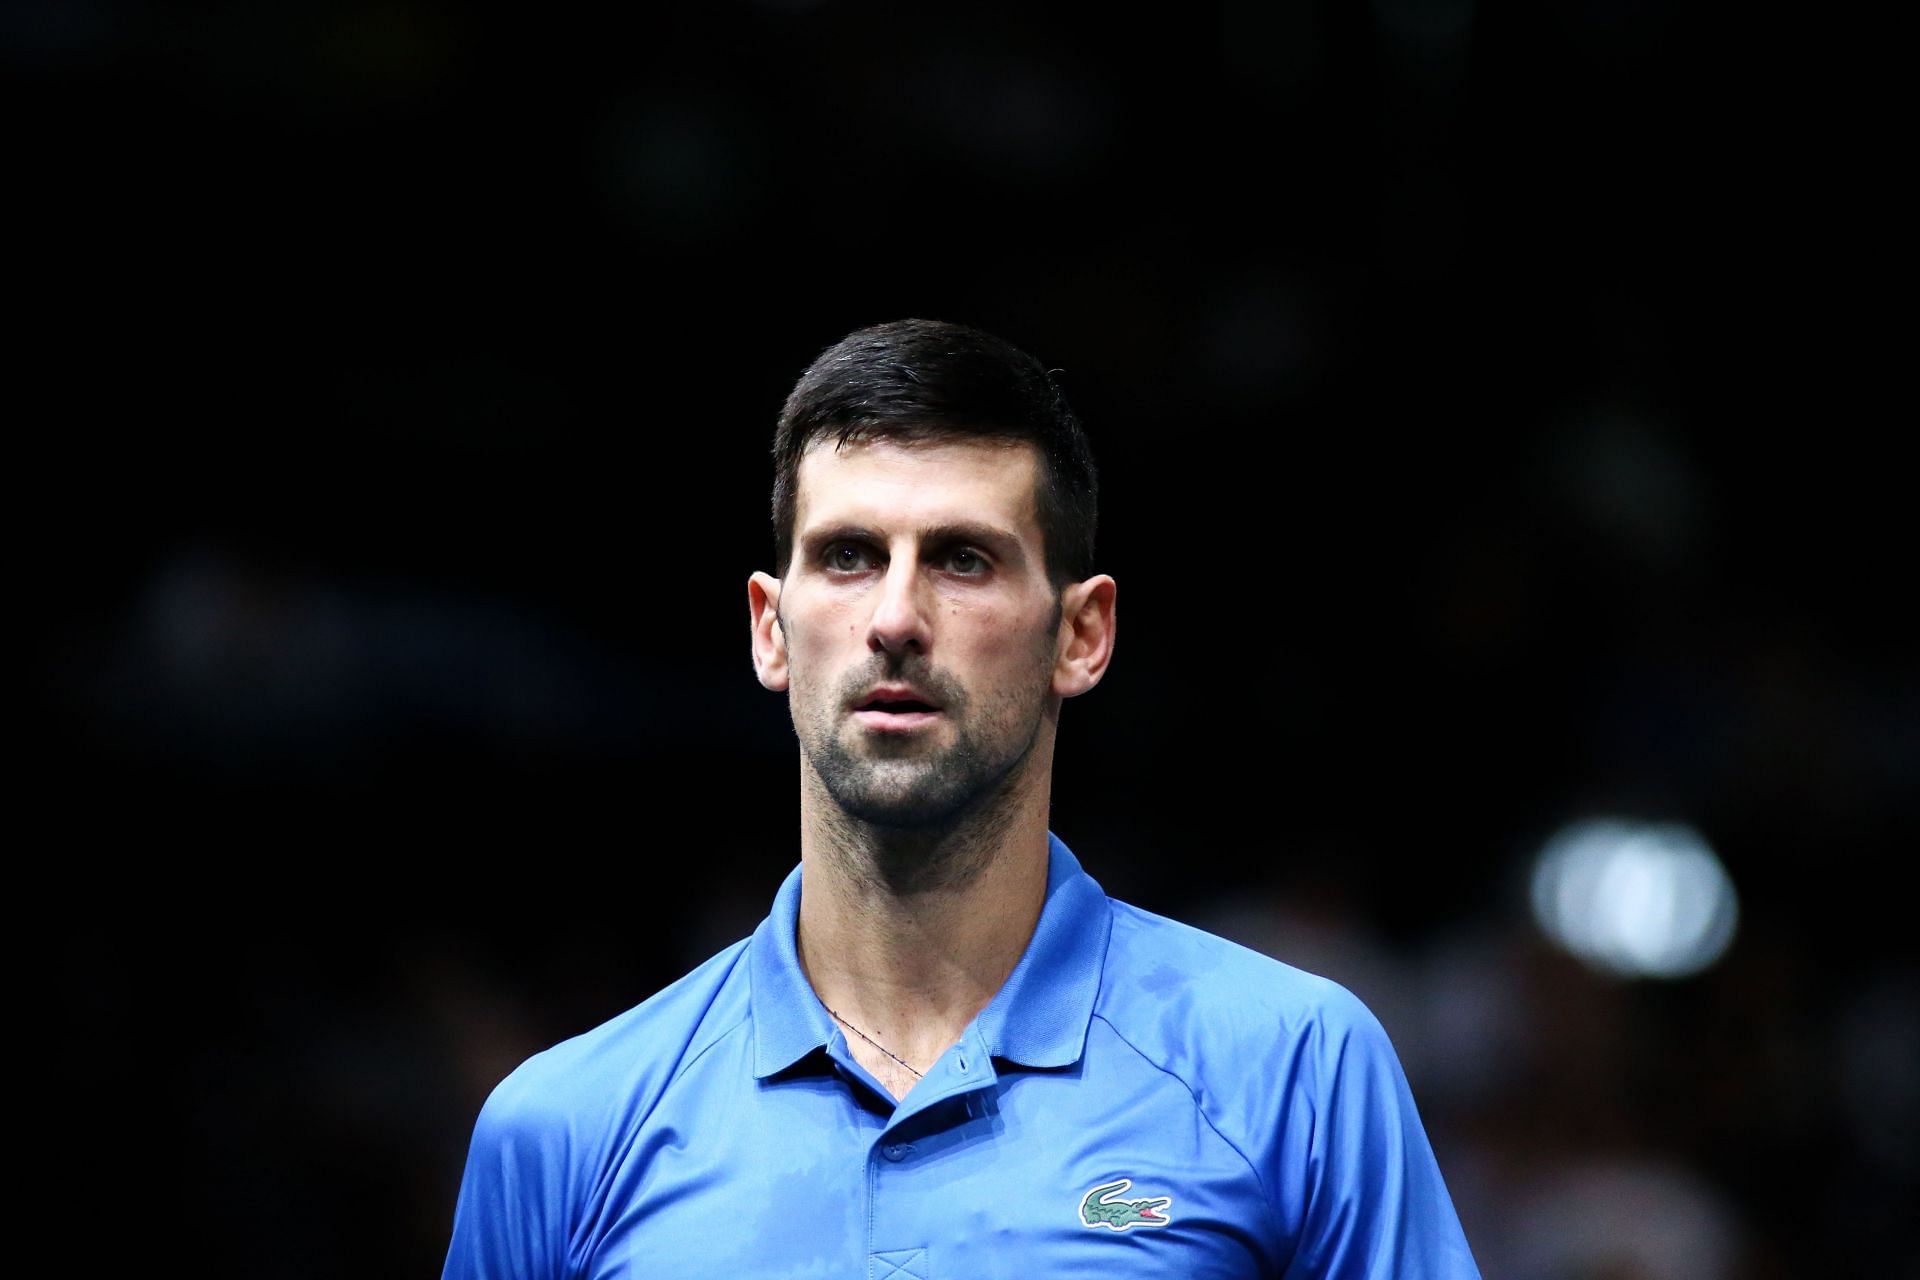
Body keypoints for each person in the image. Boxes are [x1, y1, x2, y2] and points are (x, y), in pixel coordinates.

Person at [440, 318, 1481, 1278]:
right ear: (771, 626)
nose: (896, 615)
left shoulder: (1294, 1071)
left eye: (963, 558)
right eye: (847, 556)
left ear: (1081, 634)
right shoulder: (565, 1129)